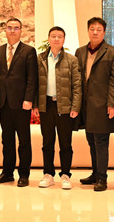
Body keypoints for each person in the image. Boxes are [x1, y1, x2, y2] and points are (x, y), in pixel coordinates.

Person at [75, 17, 114, 191]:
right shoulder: (80, 51)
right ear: (88, 31)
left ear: (104, 32)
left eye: (99, 29)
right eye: (92, 29)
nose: (95, 32)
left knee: (101, 141)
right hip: (85, 105)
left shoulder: (113, 52)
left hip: (102, 105)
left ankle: (102, 178)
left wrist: (112, 103)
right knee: (91, 140)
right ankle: (95, 173)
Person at [0, 17, 38, 188]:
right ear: (5, 30)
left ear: (21, 30)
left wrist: (29, 99)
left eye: (16, 28)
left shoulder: (29, 51)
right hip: (4, 103)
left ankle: (24, 174)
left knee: (24, 141)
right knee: (7, 140)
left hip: (22, 103)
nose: (12, 30)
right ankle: (7, 172)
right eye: (9, 27)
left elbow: (32, 78)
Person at [33, 26, 81, 190]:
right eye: (53, 36)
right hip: (46, 105)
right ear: (49, 39)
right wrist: (35, 105)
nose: (56, 39)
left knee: (65, 143)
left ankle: (66, 175)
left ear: (63, 40)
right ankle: (48, 174)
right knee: (47, 143)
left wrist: (75, 106)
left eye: (59, 36)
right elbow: (34, 84)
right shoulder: (40, 59)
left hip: (65, 107)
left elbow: (77, 85)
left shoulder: (71, 60)